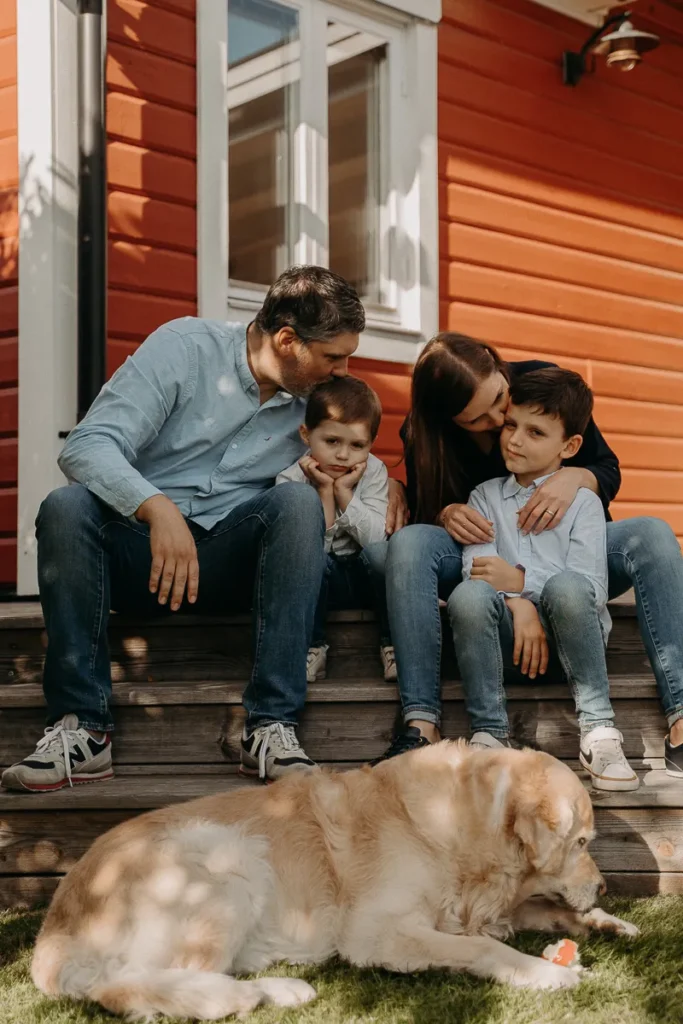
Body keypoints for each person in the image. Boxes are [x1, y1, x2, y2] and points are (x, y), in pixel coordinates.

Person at [1, 266, 407, 792]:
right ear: (287, 340)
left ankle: (270, 726)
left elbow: (356, 444)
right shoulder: (184, 350)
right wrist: (155, 507)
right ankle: (83, 729)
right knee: (66, 506)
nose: (343, 370)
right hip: (146, 558)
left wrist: (391, 482)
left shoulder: (317, 399)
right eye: (334, 356)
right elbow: (86, 445)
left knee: (295, 503)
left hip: (231, 563)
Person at [368, 332, 683, 781]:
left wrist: (574, 477)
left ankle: (681, 717)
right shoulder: (428, 433)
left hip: (567, 556)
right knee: (407, 544)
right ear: (452, 420)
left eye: (499, 399)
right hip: (485, 564)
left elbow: (606, 469)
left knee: (651, 534)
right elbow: (429, 512)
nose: (501, 423)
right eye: (481, 420)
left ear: (500, 368)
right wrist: (447, 510)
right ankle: (421, 724)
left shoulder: (540, 383)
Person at [448, 367, 638, 791]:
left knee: (568, 587)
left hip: (571, 645)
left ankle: (598, 730)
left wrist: (519, 582)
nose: (514, 440)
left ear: (569, 446)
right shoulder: (484, 497)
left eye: (535, 432)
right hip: (505, 647)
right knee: (468, 596)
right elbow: (477, 571)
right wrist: (518, 604)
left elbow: (591, 587)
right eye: (511, 424)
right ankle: (490, 732)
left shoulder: (583, 503)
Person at [276, 376, 395, 683]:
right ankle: (313, 649)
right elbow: (311, 552)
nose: (343, 455)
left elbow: (375, 540)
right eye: (332, 442)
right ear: (306, 434)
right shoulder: (289, 480)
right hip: (319, 585)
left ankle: (392, 645)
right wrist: (324, 493)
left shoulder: (374, 471)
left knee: (384, 556)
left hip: (362, 578)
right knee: (311, 560)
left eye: (357, 445)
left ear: (371, 444)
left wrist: (344, 492)